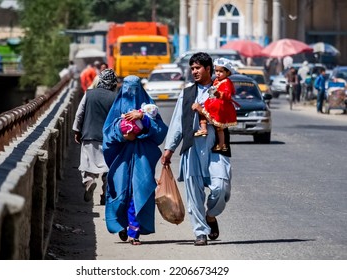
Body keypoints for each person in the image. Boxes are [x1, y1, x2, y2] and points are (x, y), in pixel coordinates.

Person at [160, 52, 232, 246]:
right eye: (192, 68)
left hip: (217, 145)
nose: (194, 72)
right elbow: (177, 122)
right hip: (192, 147)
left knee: (221, 186)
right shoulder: (187, 93)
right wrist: (169, 149)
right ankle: (200, 232)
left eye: (198, 68)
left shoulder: (221, 88)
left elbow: (231, 112)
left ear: (208, 69)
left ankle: (210, 216)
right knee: (194, 192)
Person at [102, 75, 168, 245]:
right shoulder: (117, 108)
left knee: (138, 192)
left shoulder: (148, 107)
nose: (131, 92)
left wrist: (143, 119)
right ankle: (121, 225)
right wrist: (122, 134)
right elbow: (108, 132)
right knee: (121, 191)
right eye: (127, 88)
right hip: (121, 158)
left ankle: (134, 231)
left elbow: (160, 130)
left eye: (135, 88)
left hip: (142, 158)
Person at [72, 69, 118, 206]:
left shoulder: (89, 94)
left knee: (88, 163)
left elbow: (79, 114)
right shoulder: (115, 98)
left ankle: (88, 182)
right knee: (108, 168)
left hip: (89, 135)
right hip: (109, 139)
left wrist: (77, 131)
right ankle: (105, 193)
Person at [194, 58, 237, 151]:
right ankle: (204, 129)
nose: (218, 73)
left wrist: (219, 94)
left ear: (227, 73)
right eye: (216, 71)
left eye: (221, 71)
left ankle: (222, 144)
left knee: (219, 128)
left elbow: (227, 94)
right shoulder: (217, 80)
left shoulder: (227, 82)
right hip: (212, 103)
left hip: (219, 106)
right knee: (203, 114)